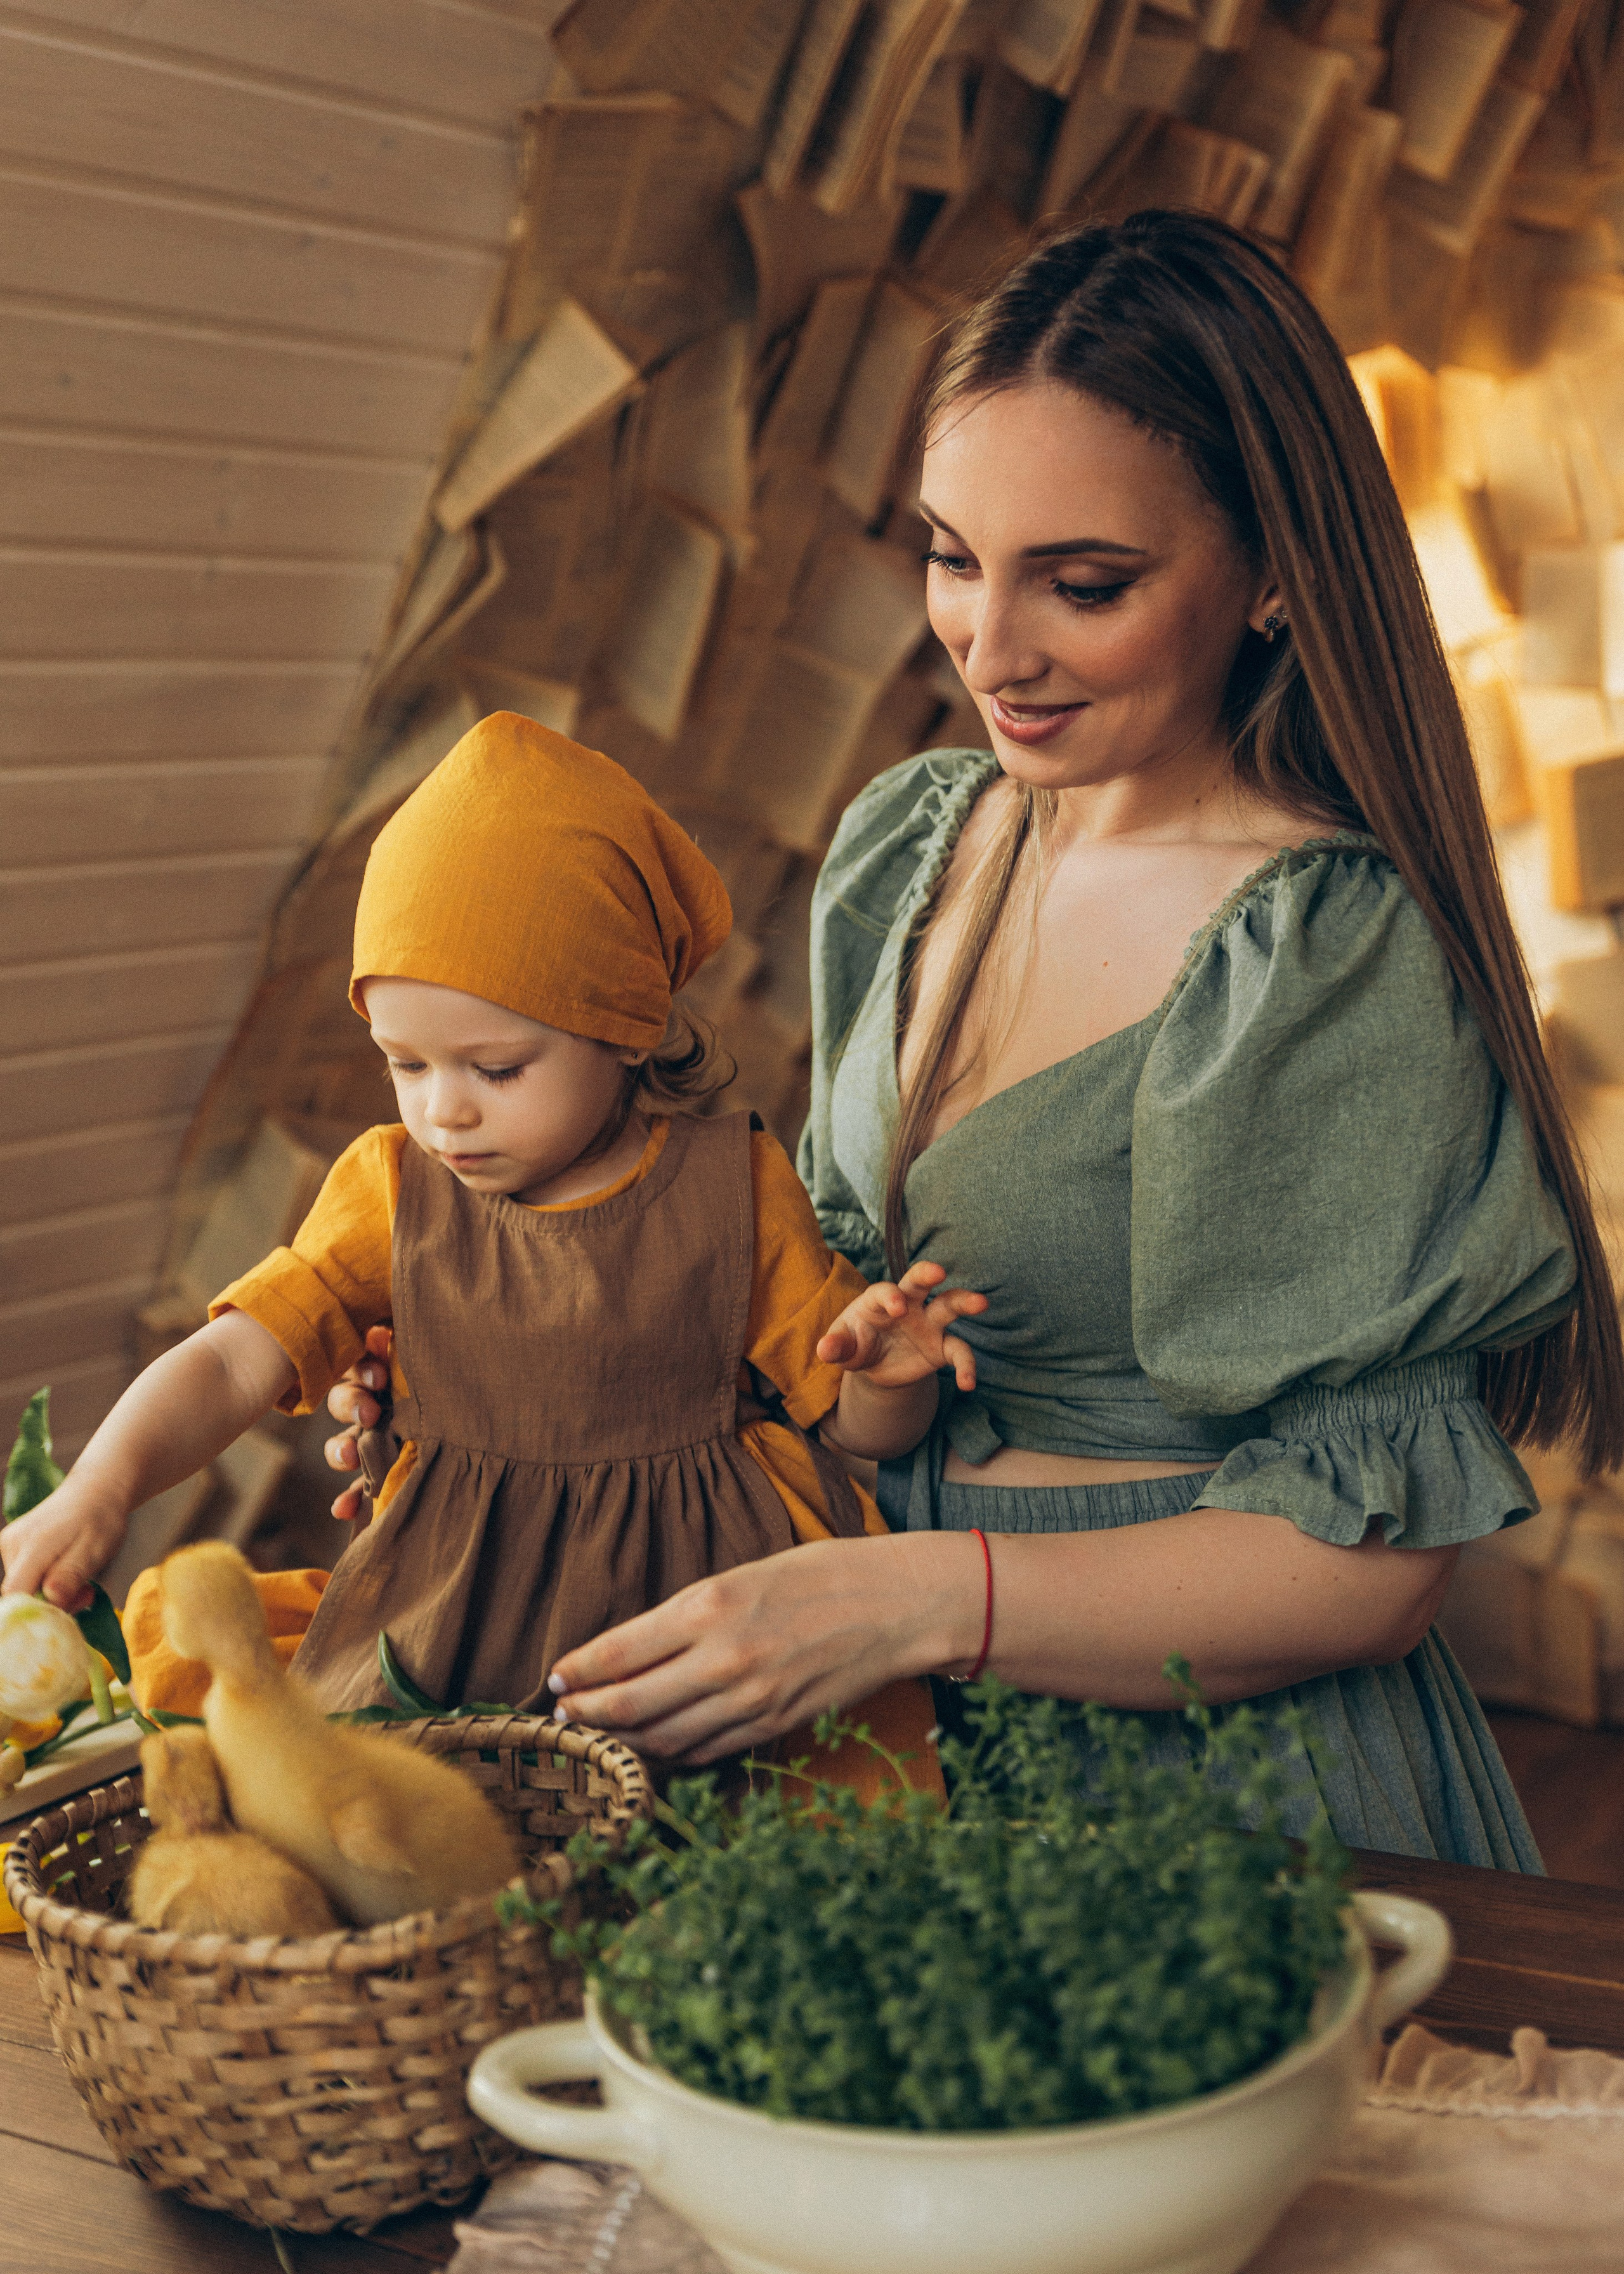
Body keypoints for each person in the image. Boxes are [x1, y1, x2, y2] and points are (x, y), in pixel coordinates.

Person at [344, 213, 1617, 1868]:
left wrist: (914, 1598)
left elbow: (1364, 1573)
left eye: (1083, 585)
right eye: (953, 556)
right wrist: (506, 1387)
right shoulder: (912, 843)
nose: (990, 649)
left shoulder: (1324, 952)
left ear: (1274, 573)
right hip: (879, 1751)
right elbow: (802, 1319)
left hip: (1217, 1796)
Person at [0, 717, 981, 1787]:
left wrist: (890, 1380)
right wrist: (99, 1487)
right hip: (449, 1630)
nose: (443, 1112)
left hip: (694, 1632)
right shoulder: (391, 1191)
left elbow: (851, 1425)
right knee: (394, 1816)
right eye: (405, 1064)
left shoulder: (733, 1191)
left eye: (497, 1068)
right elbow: (234, 1359)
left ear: (630, 1029)